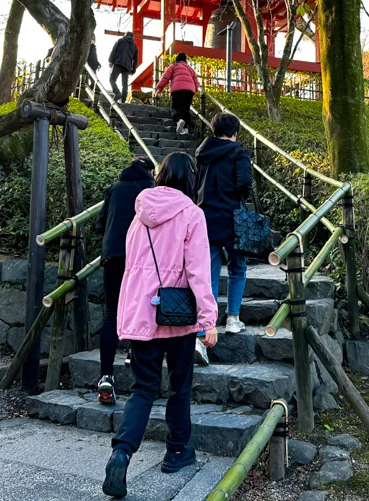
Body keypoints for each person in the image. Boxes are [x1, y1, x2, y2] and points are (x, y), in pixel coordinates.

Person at [102, 152, 219, 499]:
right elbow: (199, 270)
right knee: (180, 386)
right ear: (190, 179)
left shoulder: (140, 215)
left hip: (144, 314)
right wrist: (208, 319)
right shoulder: (191, 214)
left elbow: (134, 267)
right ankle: (177, 451)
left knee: (143, 388)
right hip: (178, 315)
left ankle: (121, 452)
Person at [93, 156, 155, 405]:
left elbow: (100, 224)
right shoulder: (152, 192)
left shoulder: (114, 189)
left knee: (111, 314)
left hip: (113, 257)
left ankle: (106, 376)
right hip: (142, 260)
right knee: (142, 312)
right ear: (151, 172)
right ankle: (140, 376)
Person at [194, 112, 253, 365]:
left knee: (209, 272)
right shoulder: (239, 152)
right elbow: (245, 183)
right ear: (235, 132)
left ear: (213, 129)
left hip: (206, 217)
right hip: (233, 218)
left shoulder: (202, 153)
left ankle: (204, 327)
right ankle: (232, 318)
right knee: (238, 267)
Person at [155, 53, 199, 135]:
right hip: (189, 91)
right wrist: (193, 90)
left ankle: (179, 120)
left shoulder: (174, 66)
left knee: (175, 107)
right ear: (185, 61)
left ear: (177, 59)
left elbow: (165, 77)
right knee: (186, 109)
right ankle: (185, 129)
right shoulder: (190, 69)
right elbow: (196, 82)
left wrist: (159, 88)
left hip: (177, 90)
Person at [108, 31, 138, 103]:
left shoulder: (120, 40)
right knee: (124, 84)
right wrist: (133, 70)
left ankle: (117, 93)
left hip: (118, 63)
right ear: (132, 37)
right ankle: (123, 100)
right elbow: (136, 59)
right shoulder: (135, 46)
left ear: (125, 35)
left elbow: (114, 50)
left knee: (112, 79)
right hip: (127, 66)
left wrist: (110, 61)